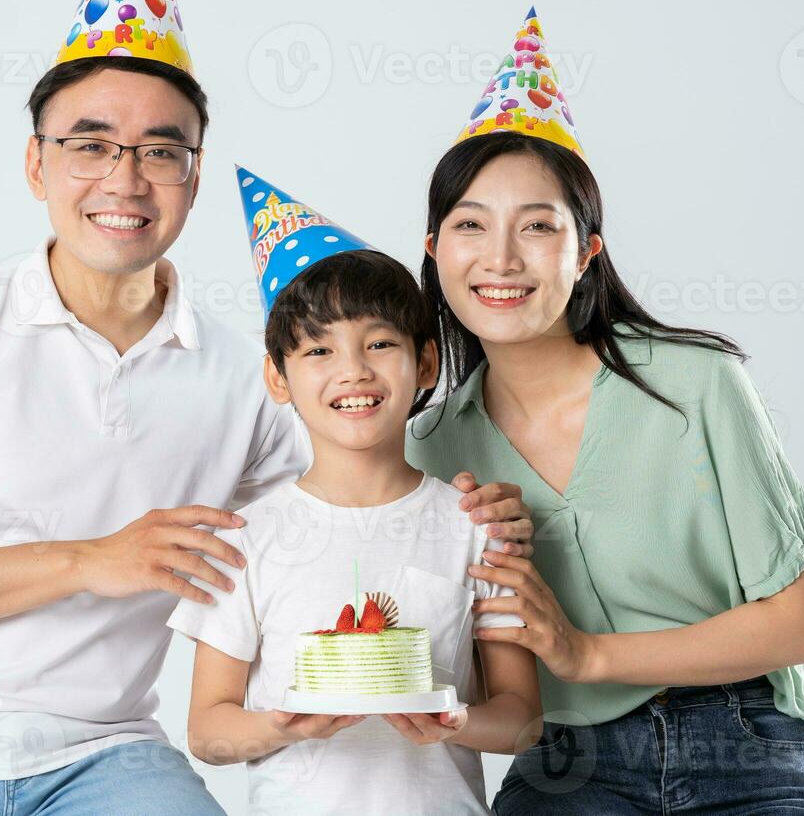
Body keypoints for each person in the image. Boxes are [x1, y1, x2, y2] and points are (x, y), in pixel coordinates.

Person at [0, 0, 533, 815]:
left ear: (193, 173)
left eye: (161, 150)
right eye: (91, 143)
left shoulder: (246, 381)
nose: (126, 178)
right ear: (36, 162)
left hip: (109, 755)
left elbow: (348, 506)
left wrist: (480, 506)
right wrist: (87, 559)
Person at [406, 8, 804, 814]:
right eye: (471, 226)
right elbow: (452, 661)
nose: (500, 258)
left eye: (538, 226)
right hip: (567, 761)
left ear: (587, 253)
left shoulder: (696, 385)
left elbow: (802, 625)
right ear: (435, 252)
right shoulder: (432, 445)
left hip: (740, 739)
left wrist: (584, 651)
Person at [166, 169, 543, 815]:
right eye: (318, 351)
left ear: (425, 364)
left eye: (380, 343)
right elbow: (208, 732)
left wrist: (453, 719)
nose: (354, 370)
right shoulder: (244, 540)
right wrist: (283, 725)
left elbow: (522, 720)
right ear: (277, 378)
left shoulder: (475, 526)